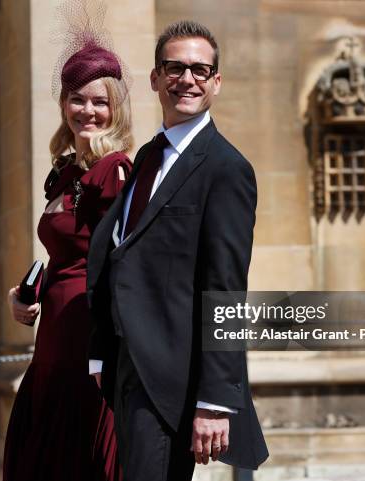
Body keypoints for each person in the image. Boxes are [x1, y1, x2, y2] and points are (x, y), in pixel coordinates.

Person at [87, 20, 268, 481]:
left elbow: (226, 290)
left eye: (200, 71)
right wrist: (101, 353)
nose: (187, 79)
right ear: (155, 77)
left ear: (216, 82)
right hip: (129, 367)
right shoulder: (149, 155)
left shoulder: (227, 169)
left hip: (176, 380)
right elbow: (121, 253)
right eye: (175, 68)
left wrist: (215, 401)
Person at [2, 9, 133, 480]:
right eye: (77, 100)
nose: (88, 111)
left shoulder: (113, 170)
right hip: (53, 334)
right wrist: (26, 294)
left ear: (115, 106)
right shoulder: (64, 171)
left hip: (86, 335)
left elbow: (117, 263)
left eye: (100, 101)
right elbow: (64, 252)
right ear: (63, 104)